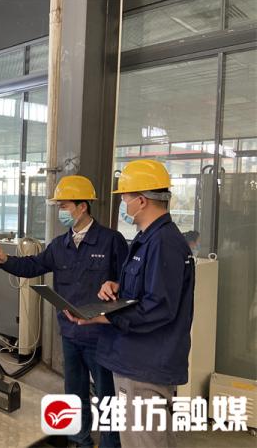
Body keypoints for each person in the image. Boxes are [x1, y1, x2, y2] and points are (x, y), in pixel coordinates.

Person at [64, 160, 195, 448]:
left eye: (124, 197)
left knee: (145, 441)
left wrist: (104, 317)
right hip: (133, 359)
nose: (123, 204)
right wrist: (118, 287)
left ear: (141, 200)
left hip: (146, 364)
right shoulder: (148, 238)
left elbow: (159, 307)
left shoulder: (163, 243)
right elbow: (148, 291)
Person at [0, 175, 127, 448]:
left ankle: (111, 443)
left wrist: (115, 287)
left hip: (101, 335)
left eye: (64, 206)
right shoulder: (59, 245)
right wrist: (5, 260)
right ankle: (79, 440)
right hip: (70, 333)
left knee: (107, 396)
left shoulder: (111, 241)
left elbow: (128, 281)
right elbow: (33, 265)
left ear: (82, 206)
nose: (60, 211)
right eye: (59, 206)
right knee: (74, 393)